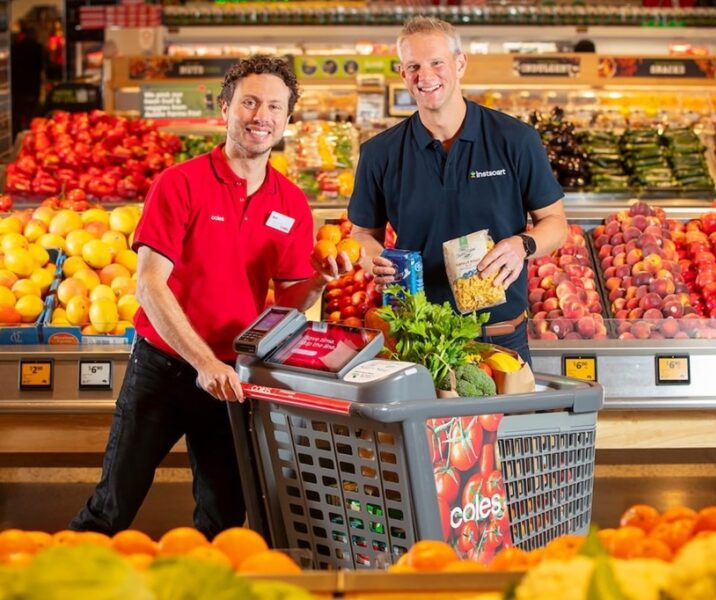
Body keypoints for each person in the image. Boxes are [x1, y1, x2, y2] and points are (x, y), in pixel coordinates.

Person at [70, 55, 353, 538]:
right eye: (249, 102)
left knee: (224, 518)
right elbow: (148, 284)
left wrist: (321, 281)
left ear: (286, 120)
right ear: (224, 108)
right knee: (111, 507)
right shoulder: (180, 183)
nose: (260, 116)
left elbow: (287, 304)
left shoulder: (290, 203)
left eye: (273, 107)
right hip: (161, 370)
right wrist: (203, 362)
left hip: (232, 378)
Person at [348, 16, 568, 366]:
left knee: (504, 423)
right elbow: (361, 234)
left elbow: (556, 222)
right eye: (413, 66)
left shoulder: (515, 139)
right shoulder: (380, 153)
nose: (426, 76)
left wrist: (522, 245)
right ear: (403, 74)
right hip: (420, 335)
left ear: (460, 64)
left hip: (499, 335)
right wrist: (375, 257)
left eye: (437, 63)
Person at [11, 20, 43, 139]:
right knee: (31, 115)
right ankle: (31, 137)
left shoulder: (15, 48)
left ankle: (17, 137)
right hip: (32, 87)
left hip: (17, 87)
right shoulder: (37, 48)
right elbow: (40, 67)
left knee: (17, 115)